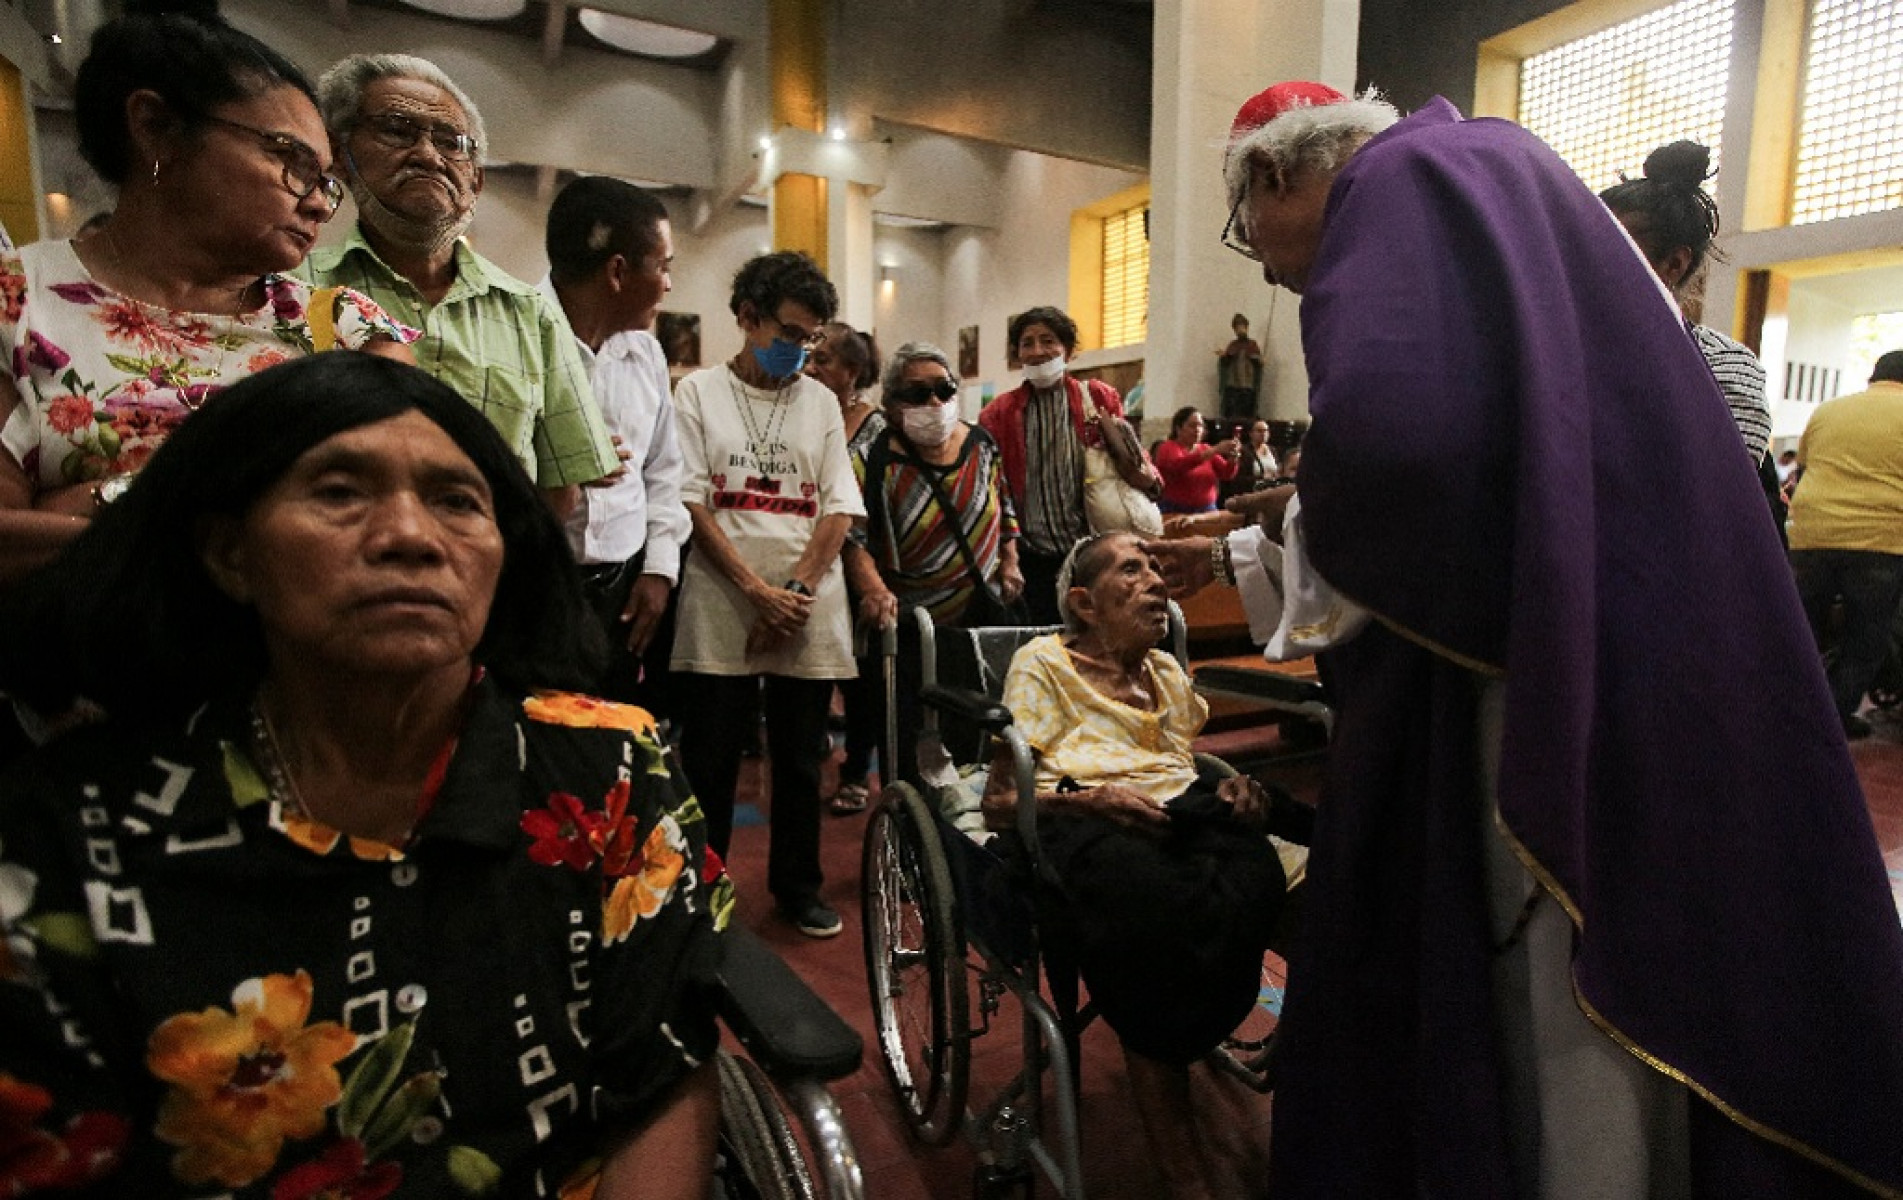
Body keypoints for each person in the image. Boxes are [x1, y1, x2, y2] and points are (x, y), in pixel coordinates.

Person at [1149, 80, 1903, 1196]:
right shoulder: (1495, 168)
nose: (1261, 266)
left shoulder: (1398, 184)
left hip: (1556, 684)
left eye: (1243, 231)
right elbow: (1496, 467)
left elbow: (1409, 461)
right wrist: (1268, 541)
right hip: (1652, 640)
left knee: (1564, 990)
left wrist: (1295, 521)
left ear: (1271, 173)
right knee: (1666, 944)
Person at [0, 353, 723, 1197]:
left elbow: (659, 1080)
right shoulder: (76, 830)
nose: (411, 536)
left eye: (457, 501)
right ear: (230, 554)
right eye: (340, 493)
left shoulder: (608, 767)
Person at [0, 3, 414, 582]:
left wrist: (97, 505)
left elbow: (378, 535)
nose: (320, 202)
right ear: (154, 127)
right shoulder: (18, 302)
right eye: (290, 159)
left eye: (326, 182)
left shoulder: (347, 331)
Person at [981, 531, 1283, 1200]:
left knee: (1259, 868)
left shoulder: (1167, 675)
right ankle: (1180, 1167)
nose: (1153, 580)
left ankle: (1211, 1028)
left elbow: (1186, 768)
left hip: (1176, 811)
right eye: (1131, 569)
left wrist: (1233, 791)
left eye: (1154, 567)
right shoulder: (1042, 663)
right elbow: (1000, 801)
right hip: (1077, 818)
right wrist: (1094, 802)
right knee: (1147, 913)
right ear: (1083, 603)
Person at [303, 53, 619, 513]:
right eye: (397, 129)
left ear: (477, 179)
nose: (428, 155)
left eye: (452, 142)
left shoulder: (532, 314)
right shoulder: (294, 292)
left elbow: (560, 490)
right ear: (341, 156)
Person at [670, 252, 863, 939]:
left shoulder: (818, 401)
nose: (799, 352)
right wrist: (755, 594)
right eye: (789, 335)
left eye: (811, 339)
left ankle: (797, 887)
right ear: (747, 319)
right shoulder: (696, 394)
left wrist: (794, 593)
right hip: (723, 602)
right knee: (711, 761)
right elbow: (690, 502)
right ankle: (703, 888)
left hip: (804, 605)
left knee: (801, 757)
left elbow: (838, 507)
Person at [842, 342, 1023, 787]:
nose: (934, 404)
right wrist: (873, 589)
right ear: (891, 404)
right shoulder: (872, 459)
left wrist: (1010, 561)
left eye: (943, 390)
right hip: (908, 624)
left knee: (979, 733)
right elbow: (851, 538)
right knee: (909, 740)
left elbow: (1006, 511)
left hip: (978, 617)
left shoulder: (981, 446)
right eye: (917, 394)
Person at [540, 175, 689, 714]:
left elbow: (665, 470)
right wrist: (557, 462)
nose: (670, 285)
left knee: (616, 742)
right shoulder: (520, 338)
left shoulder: (645, 354)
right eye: (664, 266)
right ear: (619, 272)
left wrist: (658, 569)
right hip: (539, 587)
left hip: (625, 592)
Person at [1600, 142, 1772, 465]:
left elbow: (1719, 492)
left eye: (1610, 248)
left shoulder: (1722, 366)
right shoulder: (1561, 345)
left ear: (1674, 264)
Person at [978, 306, 1141, 624]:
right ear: (1018, 354)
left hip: (1091, 554)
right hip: (1030, 558)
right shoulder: (998, 414)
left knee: (1096, 641)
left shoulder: (1098, 397)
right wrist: (1007, 555)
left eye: (1048, 341)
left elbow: (1134, 461)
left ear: (1068, 350)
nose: (1038, 352)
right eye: (1027, 343)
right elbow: (994, 489)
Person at [1786, 350, 1903, 740]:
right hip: (1881, 540)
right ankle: (1832, 718)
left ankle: (1785, 704)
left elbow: (1803, 469)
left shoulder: (1828, 411)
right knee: (1865, 638)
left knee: (1802, 627)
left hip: (1812, 532)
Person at [805, 321, 884, 814]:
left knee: (863, 678)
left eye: (824, 360)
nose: (811, 367)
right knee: (811, 667)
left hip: (861, 561)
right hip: (811, 559)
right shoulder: (803, 414)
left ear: (852, 372)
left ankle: (857, 772)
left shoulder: (877, 429)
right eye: (810, 358)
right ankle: (813, 744)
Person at [1153, 406, 1239, 514]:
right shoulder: (1168, 447)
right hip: (1175, 509)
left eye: (1200, 426)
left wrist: (1233, 459)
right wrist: (1215, 450)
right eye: (1192, 426)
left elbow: (1226, 474)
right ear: (1178, 428)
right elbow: (1178, 465)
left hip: (1207, 509)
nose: (1197, 430)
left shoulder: (1206, 448)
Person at [1217, 312, 1263, 418]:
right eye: (1237, 328)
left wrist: (1259, 360)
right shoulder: (1233, 345)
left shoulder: (1252, 344)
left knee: (1246, 410)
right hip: (1233, 384)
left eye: (1242, 327)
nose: (1240, 330)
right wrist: (1224, 356)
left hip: (1247, 383)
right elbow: (1226, 362)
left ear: (1246, 328)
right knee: (1232, 409)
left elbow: (1257, 360)